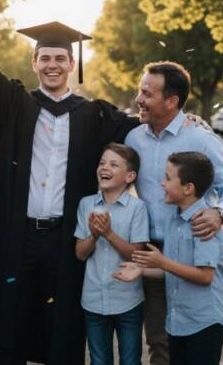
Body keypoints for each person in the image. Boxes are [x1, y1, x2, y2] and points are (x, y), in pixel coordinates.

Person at [0, 0, 142, 364]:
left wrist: (188, 123)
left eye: (60, 58)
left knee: (65, 328)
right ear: (34, 61)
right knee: (13, 325)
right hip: (20, 235)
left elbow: (143, 132)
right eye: (45, 58)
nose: (52, 64)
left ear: (72, 64)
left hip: (66, 238)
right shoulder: (18, 104)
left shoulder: (94, 115)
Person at [124, 61, 223, 365]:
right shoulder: (134, 138)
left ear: (172, 101)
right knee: (161, 343)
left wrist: (220, 212)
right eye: (140, 90)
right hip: (154, 251)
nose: (139, 99)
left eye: (147, 93)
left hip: (193, 249)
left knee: (198, 338)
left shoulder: (201, 139)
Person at [115, 151, 223, 365]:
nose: (162, 183)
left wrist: (162, 262)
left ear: (188, 188)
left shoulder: (203, 223)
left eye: (168, 178)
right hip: (178, 322)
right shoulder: (174, 221)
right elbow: (174, 268)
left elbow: (205, 276)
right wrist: (143, 269)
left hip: (204, 322)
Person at [75, 143, 149, 365]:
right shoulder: (86, 204)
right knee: (99, 360)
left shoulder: (137, 208)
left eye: (114, 164)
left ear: (130, 176)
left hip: (128, 300)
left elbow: (137, 255)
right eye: (102, 163)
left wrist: (108, 234)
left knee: (130, 360)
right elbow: (80, 253)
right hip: (93, 299)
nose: (104, 168)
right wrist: (94, 236)